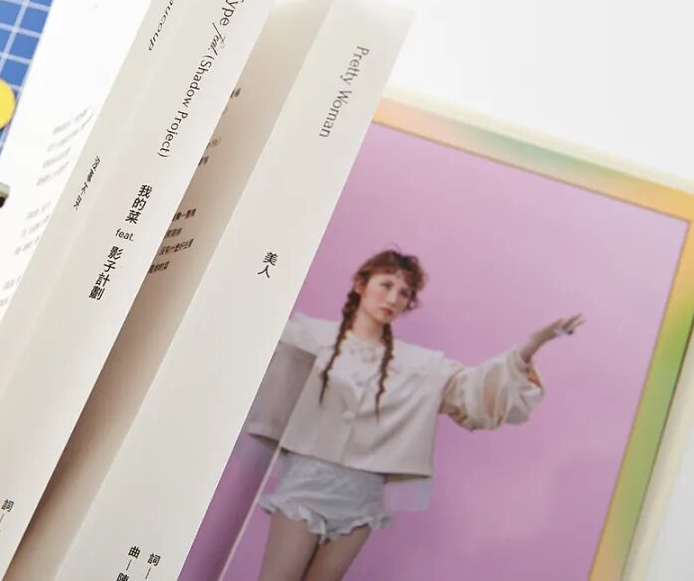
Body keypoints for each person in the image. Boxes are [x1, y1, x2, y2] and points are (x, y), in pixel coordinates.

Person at [247, 249, 584, 581]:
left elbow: (474, 391)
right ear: (361, 284)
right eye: (386, 285)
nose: (393, 298)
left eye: (404, 293)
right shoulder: (311, 336)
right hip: (307, 482)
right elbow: (253, 344)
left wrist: (529, 347)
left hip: (362, 498)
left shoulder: (421, 365)